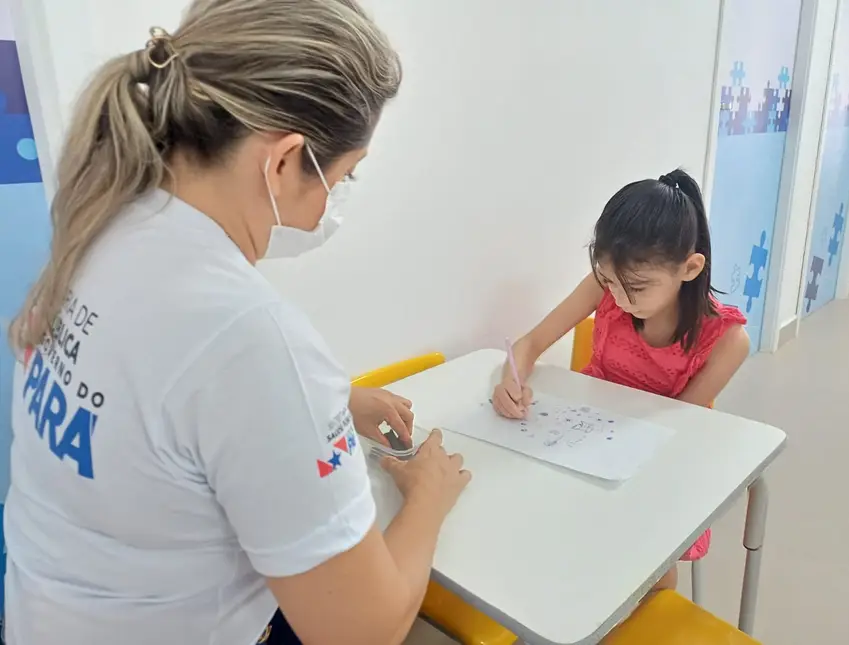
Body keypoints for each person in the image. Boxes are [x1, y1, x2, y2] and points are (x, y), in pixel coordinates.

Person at [5, 2, 470, 644]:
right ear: (282, 162)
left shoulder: (104, 222)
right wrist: (428, 498)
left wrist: (328, 403)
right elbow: (361, 632)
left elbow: (153, 406)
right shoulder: (248, 335)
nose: (337, 199)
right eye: (344, 174)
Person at [492, 168, 749, 592]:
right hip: (585, 434)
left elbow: (678, 427)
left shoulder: (726, 340)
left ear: (690, 268)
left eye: (638, 288)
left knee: (644, 560)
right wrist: (511, 379)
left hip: (658, 457)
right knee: (538, 522)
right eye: (610, 282)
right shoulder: (605, 286)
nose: (621, 299)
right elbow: (530, 343)